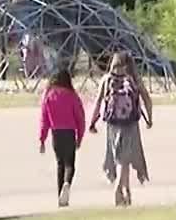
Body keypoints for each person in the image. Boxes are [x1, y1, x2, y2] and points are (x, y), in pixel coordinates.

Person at [89, 52, 151, 207]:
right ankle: (118, 189)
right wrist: (149, 118)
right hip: (130, 123)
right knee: (125, 158)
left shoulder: (106, 79)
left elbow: (98, 102)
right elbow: (146, 98)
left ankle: (126, 190)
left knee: (120, 156)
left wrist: (92, 122)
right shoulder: (134, 79)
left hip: (112, 124)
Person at [38, 70, 87, 207]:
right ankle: (67, 183)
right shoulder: (72, 95)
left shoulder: (48, 95)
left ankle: (60, 195)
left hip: (56, 133)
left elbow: (44, 119)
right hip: (69, 132)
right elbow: (80, 117)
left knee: (60, 164)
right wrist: (80, 137)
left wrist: (42, 139)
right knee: (69, 164)